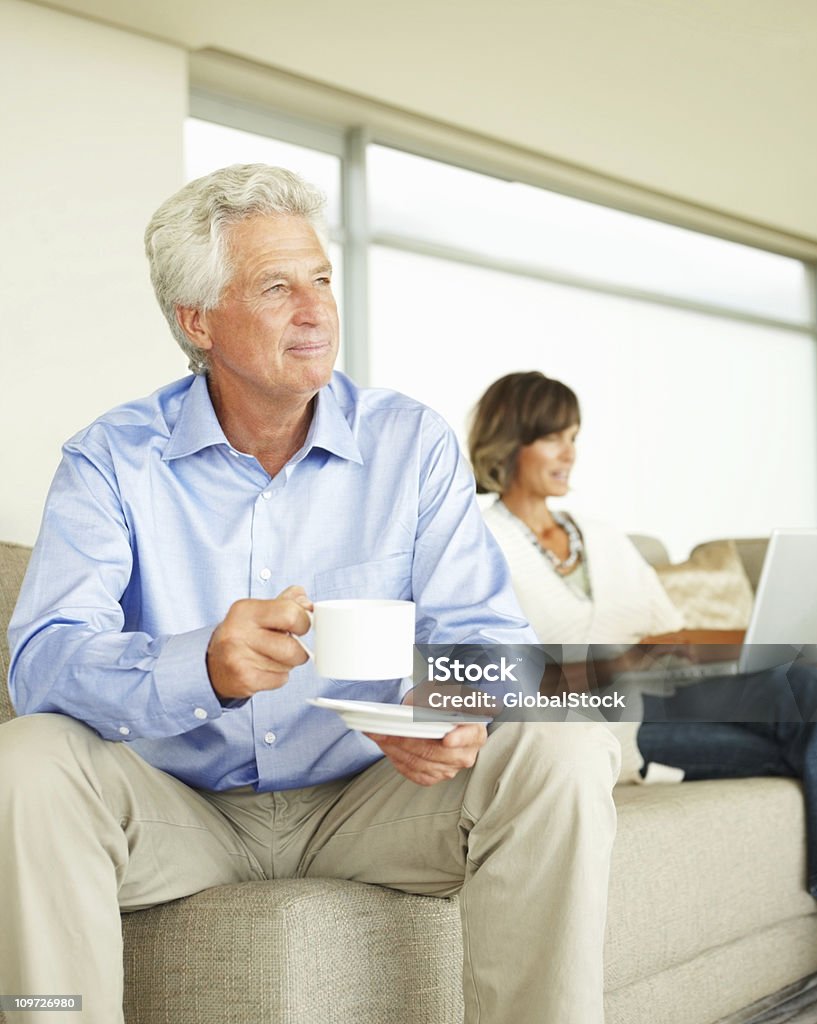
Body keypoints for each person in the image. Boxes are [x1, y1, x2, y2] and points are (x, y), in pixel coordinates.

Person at [0, 167, 619, 1024]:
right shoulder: (111, 459)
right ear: (198, 320)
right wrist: (199, 667)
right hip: (182, 808)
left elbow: (490, 636)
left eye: (321, 279)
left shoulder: (410, 443)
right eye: (276, 287)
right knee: (26, 758)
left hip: (370, 801)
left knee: (565, 739)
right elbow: (43, 662)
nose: (316, 308)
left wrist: (447, 704)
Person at [468, 369, 817, 901]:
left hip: (673, 693)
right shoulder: (480, 540)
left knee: (801, 682)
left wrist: (777, 637)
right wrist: (616, 664)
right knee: (798, 742)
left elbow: (672, 634)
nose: (569, 454)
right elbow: (493, 678)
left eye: (574, 438)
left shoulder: (598, 532)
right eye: (552, 437)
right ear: (509, 441)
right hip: (602, 725)